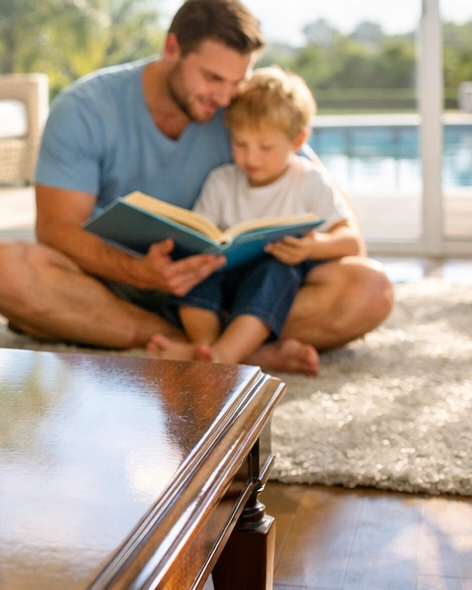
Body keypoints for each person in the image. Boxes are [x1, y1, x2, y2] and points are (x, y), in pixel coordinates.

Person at [0, 0, 393, 374]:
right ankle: (225, 348)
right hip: (113, 284)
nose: (226, 98)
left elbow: (337, 216)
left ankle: (201, 347)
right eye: (213, 79)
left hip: (224, 290)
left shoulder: (241, 112)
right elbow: (56, 229)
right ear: (172, 48)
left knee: (370, 290)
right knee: (2, 270)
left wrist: (311, 246)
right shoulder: (85, 109)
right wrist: (141, 273)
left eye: (236, 82)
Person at [144, 68, 364, 374]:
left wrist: (312, 247)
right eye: (241, 144)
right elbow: (199, 233)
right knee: (197, 264)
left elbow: (352, 241)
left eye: (265, 147)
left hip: (272, 283)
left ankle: (222, 356)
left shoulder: (309, 180)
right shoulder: (222, 180)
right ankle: (206, 348)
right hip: (223, 277)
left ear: (296, 140)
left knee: (276, 270)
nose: (251, 158)